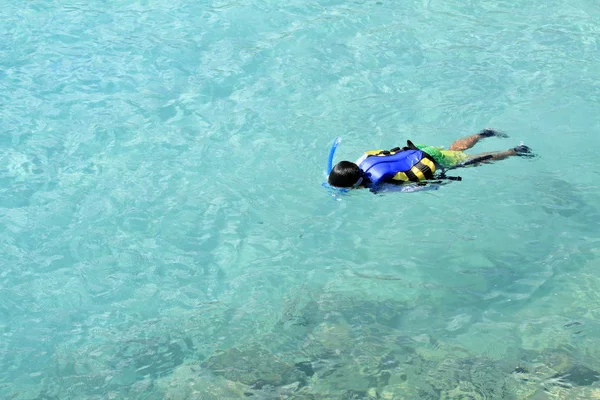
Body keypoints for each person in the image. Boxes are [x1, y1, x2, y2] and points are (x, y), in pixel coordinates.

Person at [327, 129, 535, 190]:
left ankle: (515, 151)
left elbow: (412, 187)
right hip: (417, 149)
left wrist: (437, 183)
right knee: (455, 148)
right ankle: (483, 134)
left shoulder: (381, 182)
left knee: (472, 160)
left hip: (430, 161)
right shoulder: (362, 160)